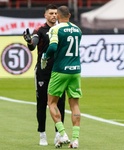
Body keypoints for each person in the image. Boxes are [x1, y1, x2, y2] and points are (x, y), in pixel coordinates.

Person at [23, 4, 66, 146]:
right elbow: (33, 45)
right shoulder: (40, 30)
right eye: (51, 13)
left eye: (55, 13)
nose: (54, 15)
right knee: (42, 104)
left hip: (59, 72)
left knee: (60, 103)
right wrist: (29, 41)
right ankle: (42, 134)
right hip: (43, 72)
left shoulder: (62, 30)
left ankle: (58, 134)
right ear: (45, 15)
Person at [41, 5, 82, 149]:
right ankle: (75, 140)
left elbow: (52, 47)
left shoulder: (56, 29)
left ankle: (63, 134)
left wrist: (45, 57)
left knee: (51, 103)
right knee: (75, 104)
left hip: (60, 70)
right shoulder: (77, 29)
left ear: (58, 16)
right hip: (75, 70)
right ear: (69, 15)